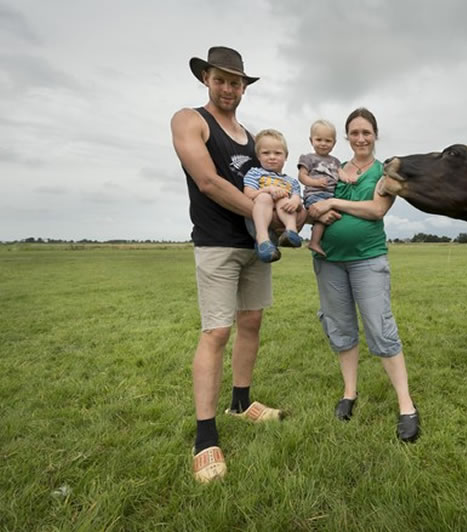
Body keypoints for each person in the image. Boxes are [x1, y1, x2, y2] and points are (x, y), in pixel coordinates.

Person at [170, 46, 287, 484]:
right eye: (220, 79)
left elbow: (266, 184)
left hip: (254, 246)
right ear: (206, 79)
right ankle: (205, 436)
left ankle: (241, 402)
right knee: (217, 330)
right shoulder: (189, 119)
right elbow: (207, 181)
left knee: (251, 321)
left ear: (244, 87)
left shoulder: (250, 137)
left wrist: (288, 208)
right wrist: (267, 223)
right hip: (218, 243)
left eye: (235, 82)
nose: (228, 88)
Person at [308, 107, 420, 443]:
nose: (360, 138)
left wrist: (335, 205)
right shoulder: (332, 168)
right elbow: (314, 202)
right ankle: (349, 393)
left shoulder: (385, 174)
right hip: (329, 260)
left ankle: (406, 406)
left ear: (375, 135)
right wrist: (318, 210)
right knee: (340, 327)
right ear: (346, 137)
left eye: (366, 132)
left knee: (380, 328)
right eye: (354, 133)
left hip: (368, 260)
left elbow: (376, 210)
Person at [243, 128, 303, 262]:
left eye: (277, 153)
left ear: (286, 156)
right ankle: (262, 239)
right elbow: (248, 194)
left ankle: (291, 233)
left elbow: (297, 198)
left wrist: (294, 201)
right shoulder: (255, 173)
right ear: (258, 156)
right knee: (264, 197)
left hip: (279, 226)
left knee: (286, 199)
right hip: (259, 223)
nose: (272, 157)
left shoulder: (291, 181)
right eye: (266, 153)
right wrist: (268, 189)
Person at [297, 120, 356, 257]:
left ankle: (314, 242)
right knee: (320, 217)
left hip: (330, 196)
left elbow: (340, 172)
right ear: (311, 140)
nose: (323, 143)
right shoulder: (308, 158)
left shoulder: (335, 161)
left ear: (334, 143)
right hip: (314, 194)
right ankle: (305, 238)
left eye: (328, 141)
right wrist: (315, 182)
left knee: (326, 219)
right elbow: (302, 177)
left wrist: (347, 178)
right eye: (319, 140)